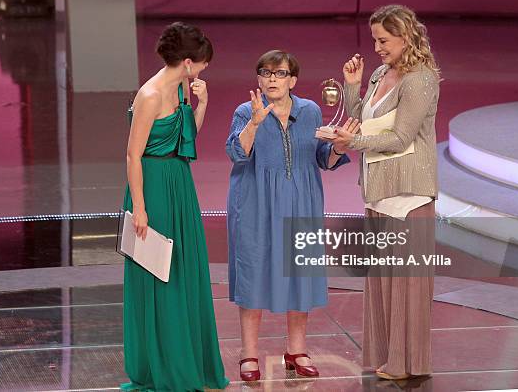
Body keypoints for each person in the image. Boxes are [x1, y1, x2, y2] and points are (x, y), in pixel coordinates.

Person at [226, 50, 358, 381]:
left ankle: (296, 350)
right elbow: (237, 153)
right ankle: (249, 354)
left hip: (302, 201)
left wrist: (340, 146)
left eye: (280, 73)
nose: (272, 79)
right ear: (258, 79)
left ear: (293, 80)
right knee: (254, 271)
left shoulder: (311, 111)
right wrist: (255, 123)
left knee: (300, 273)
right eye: (266, 73)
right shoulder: (246, 111)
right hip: (256, 201)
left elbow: (324, 161)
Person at [331, 4, 441, 380]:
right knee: (383, 287)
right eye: (375, 39)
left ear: (405, 36)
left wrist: (355, 141)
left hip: (409, 194)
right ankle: (388, 356)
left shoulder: (421, 78)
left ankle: (409, 363)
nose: (377, 46)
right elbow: (364, 118)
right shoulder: (381, 73)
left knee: (407, 288)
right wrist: (351, 87)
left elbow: (400, 137)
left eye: (384, 40)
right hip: (379, 191)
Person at [122, 22, 229, 391]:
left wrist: (202, 103)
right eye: (200, 64)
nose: (202, 70)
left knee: (184, 271)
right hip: (152, 189)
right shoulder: (150, 95)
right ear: (186, 62)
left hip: (179, 184)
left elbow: (186, 137)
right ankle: (162, 366)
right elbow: (133, 155)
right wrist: (140, 208)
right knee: (159, 274)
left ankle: (186, 361)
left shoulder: (182, 88)